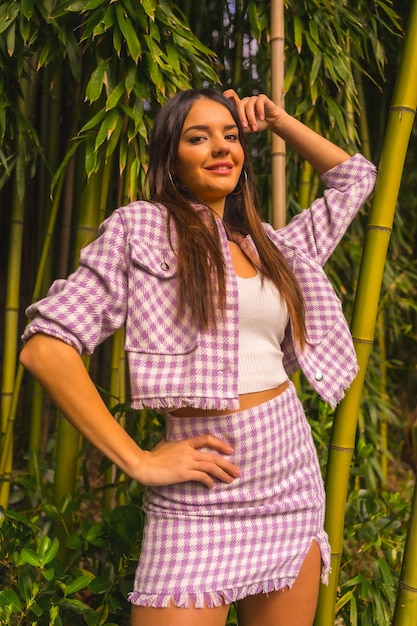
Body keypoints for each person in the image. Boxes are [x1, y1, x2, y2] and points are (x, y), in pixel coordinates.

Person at [20, 87, 377, 626]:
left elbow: (355, 178)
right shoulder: (140, 229)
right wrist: (139, 461)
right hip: (196, 496)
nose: (220, 147)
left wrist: (278, 120)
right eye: (198, 137)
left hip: (289, 483)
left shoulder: (273, 245)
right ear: (170, 157)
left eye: (230, 136)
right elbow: (45, 348)